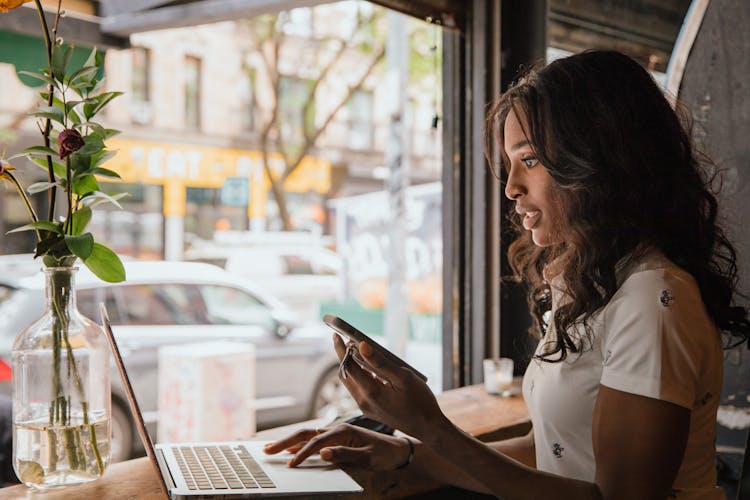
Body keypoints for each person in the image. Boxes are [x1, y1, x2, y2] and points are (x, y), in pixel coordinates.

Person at [264, 50, 750, 499]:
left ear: (601, 161)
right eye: (510, 164)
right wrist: (406, 452)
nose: (512, 187)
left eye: (530, 160)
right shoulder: (592, 287)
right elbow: (549, 453)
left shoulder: (653, 299)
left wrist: (430, 427)